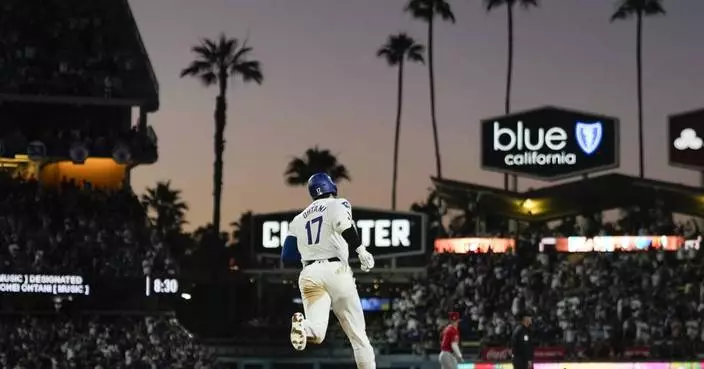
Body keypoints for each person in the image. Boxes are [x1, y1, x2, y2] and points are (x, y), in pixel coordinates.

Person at [280, 172, 377, 369]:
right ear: (331, 187)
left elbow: (287, 255)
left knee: (316, 333)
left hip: (309, 274)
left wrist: (312, 254)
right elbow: (344, 226)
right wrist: (361, 250)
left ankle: (303, 327)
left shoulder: (298, 219)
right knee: (358, 335)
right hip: (336, 270)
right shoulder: (338, 204)